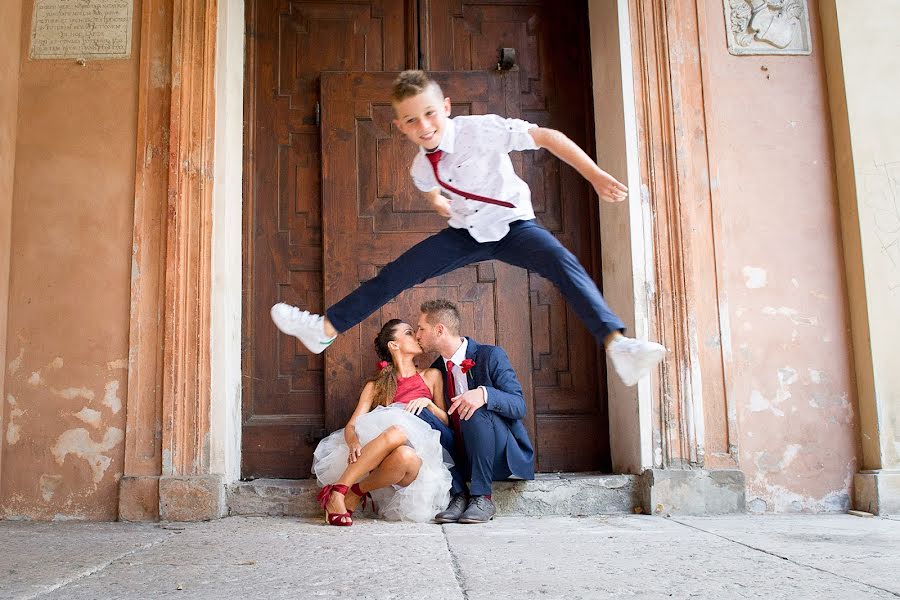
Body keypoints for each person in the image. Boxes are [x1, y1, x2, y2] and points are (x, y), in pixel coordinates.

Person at [271, 69, 665, 387]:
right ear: (400, 127)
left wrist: (594, 176)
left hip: (514, 226)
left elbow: (547, 137)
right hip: (465, 235)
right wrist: (439, 203)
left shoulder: (481, 129)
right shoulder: (421, 167)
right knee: (394, 276)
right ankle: (324, 328)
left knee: (563, 263)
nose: (424, 125)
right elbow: (429, 189)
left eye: (429, 114)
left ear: (445, 106)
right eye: (412, 120)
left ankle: (618, 345)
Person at [311, 319, 453, 525]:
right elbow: (352, 425)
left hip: (420, 462)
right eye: (409, 332)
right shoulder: (376, 385)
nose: (417, 336)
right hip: (385, 457)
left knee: (403, 440)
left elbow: (446, 423)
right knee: (402, 444)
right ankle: (343, 492)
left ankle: (347, 491)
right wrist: (353, 443)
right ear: (394, 345)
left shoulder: (432, 376)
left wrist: (428, 405)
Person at [416, 299, 533, 524]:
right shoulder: (437, 370)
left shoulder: (490, 355)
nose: (418, 334)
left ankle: (482, 497)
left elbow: (519, 406)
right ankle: (459, 494)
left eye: (421, 328)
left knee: (473, 406)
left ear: (439, 330)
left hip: (499, 451)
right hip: (462, 454)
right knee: (422, 415)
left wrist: (484, 394)